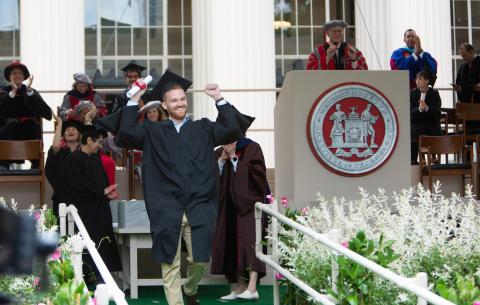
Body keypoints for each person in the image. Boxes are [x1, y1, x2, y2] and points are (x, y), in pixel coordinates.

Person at [98, 69, 253, 305]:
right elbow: (126, 133)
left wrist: (219, 99)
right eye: (174, 100)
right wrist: (132, 100)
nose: (180, 104)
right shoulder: (153, 131)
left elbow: (232, 129)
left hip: (199, 204)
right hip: (166, 206)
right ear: (164, 104)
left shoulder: (203, 128)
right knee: (169, 262)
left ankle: (190, 289)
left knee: (200, 259)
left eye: (182, 99)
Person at [60, 125, 121, 282]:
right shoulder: (73, 159)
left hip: (101, 209)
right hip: (85, 211)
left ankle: (104, 277)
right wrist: (102, 192)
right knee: (90, 244)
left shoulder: (95, 158)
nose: (100, 146)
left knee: (105, 244)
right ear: (88, 140)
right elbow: (77, 187)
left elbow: (103, 183)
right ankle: (89, 277)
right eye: (98, 142)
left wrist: (108, 194)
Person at [211, 139, 268, 301]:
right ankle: (239, 288)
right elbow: (209, 181)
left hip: (249, 207)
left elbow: (258, 179)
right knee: (233, 247)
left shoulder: (252, 148)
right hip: (228, 208)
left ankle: (252, 287)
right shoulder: (218, 152)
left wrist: (234, 157)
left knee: (251, 245)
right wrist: (222, 159)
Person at [0, 61, 52, 141]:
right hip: (8, 132)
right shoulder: (3, 93)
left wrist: (29, 93)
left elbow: (47, 114)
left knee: (30, 124)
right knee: (12, 124)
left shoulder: (31, 92)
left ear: (24, 77)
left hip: (30, 131)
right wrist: (12, 93)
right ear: (9, 77)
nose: (17, 75)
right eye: (14, 73)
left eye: (20, 73)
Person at [45, 114, 82, 217]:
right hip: (62, 196)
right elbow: (55, 146)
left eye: (74, 130)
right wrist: (60, 123)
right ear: (63, 136)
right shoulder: (60, 152)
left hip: (81, 196)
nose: (70, 131)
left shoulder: (83, 153)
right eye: (67, 130)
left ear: (79, 135)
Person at [410, 70, 442, 164]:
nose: (417, 81)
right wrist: (419, 109)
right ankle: (421, 156)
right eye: (416, 79)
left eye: (420, 79)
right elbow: (410, 110)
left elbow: (437, 110)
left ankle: (434, 155)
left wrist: (427, 108)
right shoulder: (412, 93)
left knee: (433, 128)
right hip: (417, 121)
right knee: (418, 129)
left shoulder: (434, 93)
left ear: (427, 81)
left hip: (430, 120)